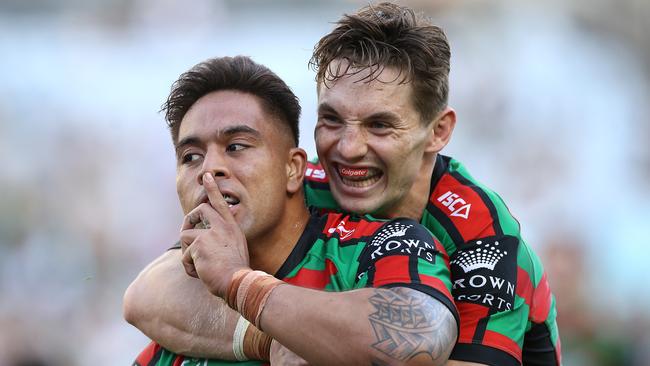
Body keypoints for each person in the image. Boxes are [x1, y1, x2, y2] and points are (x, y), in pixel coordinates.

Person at [125, 2, 561, 365]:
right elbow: (147, 296)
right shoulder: (303, 178)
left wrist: (254, 298)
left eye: (379, 125)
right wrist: (271, 340)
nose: (348, 149)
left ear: (438, 132)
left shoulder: (484, 238)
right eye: (331, 119)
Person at [125, 55, 458, 366]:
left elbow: (422, 337)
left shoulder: (379, 244)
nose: (209, 170)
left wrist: (239, 285)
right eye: (190, 157)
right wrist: (264, 337)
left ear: (293, 168)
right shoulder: (179, 330)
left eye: (236, 146)